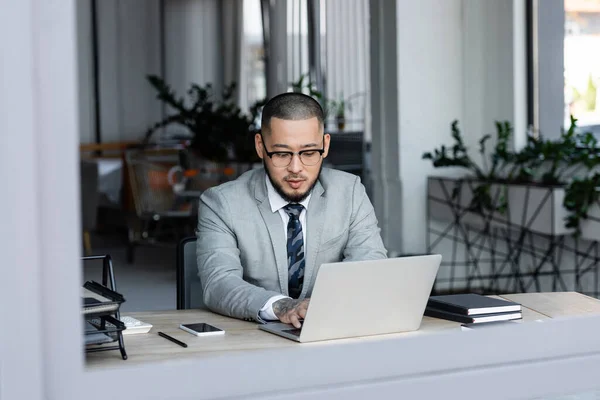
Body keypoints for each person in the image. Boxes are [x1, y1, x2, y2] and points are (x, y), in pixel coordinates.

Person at [196, 92, 387, 328]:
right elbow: (219, 283)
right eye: (282, 154)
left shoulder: (350, 192)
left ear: (325, 145)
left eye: (308, 153)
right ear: (260, 146)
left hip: (330, 332)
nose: (295, 168)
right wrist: (283, 306)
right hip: (253, 338)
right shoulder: (221, 203)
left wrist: (324, 306)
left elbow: (370, 264)